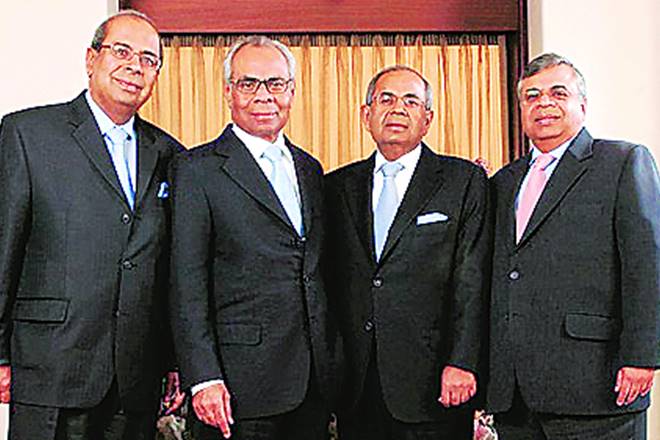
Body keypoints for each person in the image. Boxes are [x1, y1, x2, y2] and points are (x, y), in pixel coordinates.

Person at [0, 10, 184, 440]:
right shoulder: (27, 134)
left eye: (148, 59)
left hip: (135, 381)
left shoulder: (171, 154)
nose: (135, 67)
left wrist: (174, 361)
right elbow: (3, 248)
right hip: (49, 367)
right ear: (90, 59)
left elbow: (171, 270)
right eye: (122, 52)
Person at [169, 36, 337, 440]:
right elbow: (185, 282)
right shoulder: (196, 169)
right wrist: (203, 376)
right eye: (249, 83)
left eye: (276, 83)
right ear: (229, 91)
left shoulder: (310, 169)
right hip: (236, 387)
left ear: (291, 92)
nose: (264, 96)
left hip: (313, 384)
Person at [487, 52, 660, 439]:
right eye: (532, 96)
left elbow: (647, 265)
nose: (543, 103)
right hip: (515, 395)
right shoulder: (503, 181)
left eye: (557, 93)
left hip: (596, 385)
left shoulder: (622, 161)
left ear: (582, 104)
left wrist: (642, 356)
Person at [325, 65, 490, 440]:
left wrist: (463, 361)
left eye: (411, 101)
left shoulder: (462, 181)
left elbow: (473, 279)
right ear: (366, 114)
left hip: (435, 381)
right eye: (386, 99)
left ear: (427, 119)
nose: (397, 108)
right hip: (357, 386)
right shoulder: (336, 186)